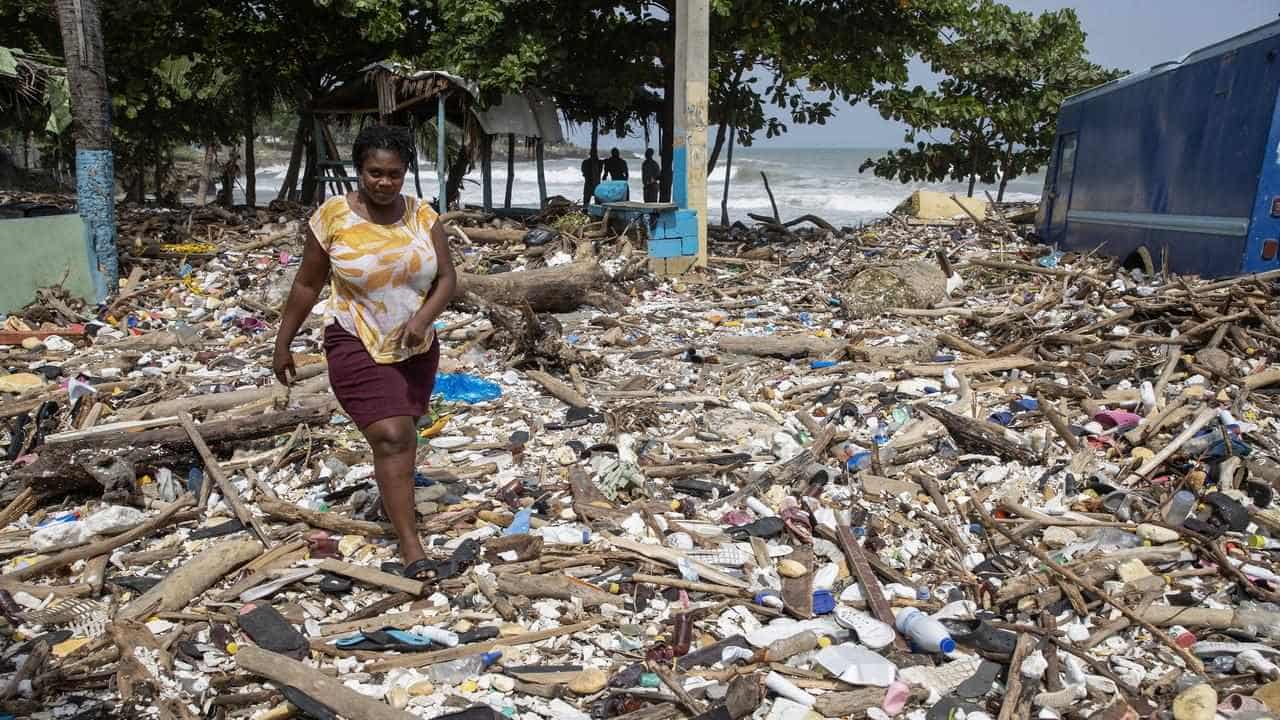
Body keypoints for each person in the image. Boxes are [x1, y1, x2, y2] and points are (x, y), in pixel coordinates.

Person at [272, 124, 457, 580]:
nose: (384, 182)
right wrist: (283, 341)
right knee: (392, 435)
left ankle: (393, 501)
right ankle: (411, 547)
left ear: (405, 174)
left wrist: (422, 320)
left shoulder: (423, 217)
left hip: (416, 345)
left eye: (394, 174)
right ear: (359, 171)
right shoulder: (333, 216)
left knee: (404, 434)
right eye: (374, 172)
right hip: (354, 337)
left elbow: (447, 280)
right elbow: (308, 283)